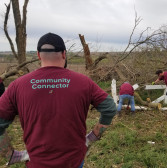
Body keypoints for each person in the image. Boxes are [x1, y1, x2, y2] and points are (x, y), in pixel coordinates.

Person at [0, 32, 116, 168]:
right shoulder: (84, 82)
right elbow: (109, 108)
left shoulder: (18, 86)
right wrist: (92, 137)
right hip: (73, 162)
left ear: (38, 55)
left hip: (37, 164)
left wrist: (10, 154)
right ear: (64, 54)